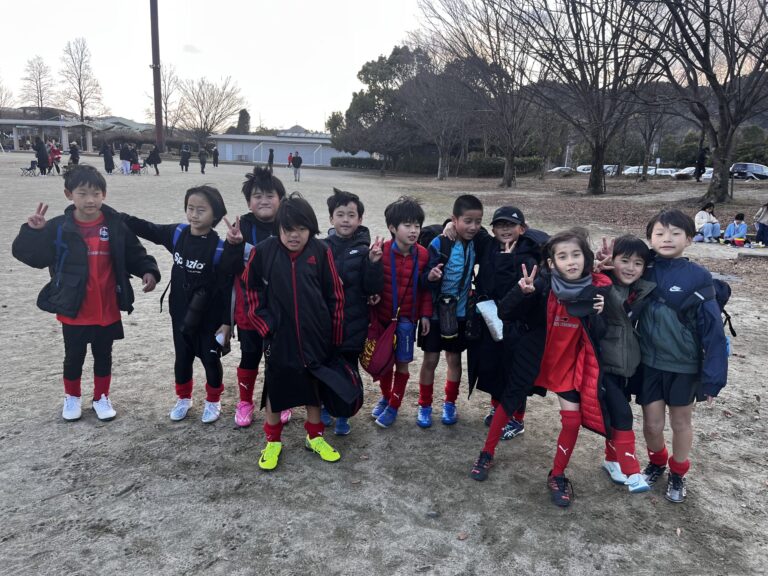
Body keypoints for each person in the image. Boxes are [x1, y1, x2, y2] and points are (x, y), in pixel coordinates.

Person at [11, 165, 160, 421]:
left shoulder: (115, 224)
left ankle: (101, 397)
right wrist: (32, 232)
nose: (90, 200)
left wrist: (149, 271)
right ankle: (72, 397)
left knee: (103, 355)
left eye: (96, 193)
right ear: (69, 194)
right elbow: (33, 257)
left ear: (104, 194)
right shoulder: (59, 227)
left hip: (107, 305)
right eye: (82, 193)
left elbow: (134, 253)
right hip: (74, 306)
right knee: (74, 356)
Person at [494, 228, 611, 507]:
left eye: (576, 255)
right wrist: (523, 293)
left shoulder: (596, 290)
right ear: (551, 262)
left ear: (586, 258)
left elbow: (601, 334)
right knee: (507, 403)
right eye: (563, 256)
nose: (571, 261)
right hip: (535, 360)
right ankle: (486, 452)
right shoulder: (542, 285)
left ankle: (557, 474)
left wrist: (599, 314)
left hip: (566, 367)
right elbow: (505, 312)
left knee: (572, 421)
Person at [241, 192, 345, 470]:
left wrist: (333, 334)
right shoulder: (263, 251)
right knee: (276, 389)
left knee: (313, 388)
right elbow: (250, 291)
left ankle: (315, 437)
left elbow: (335, 294)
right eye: (288, 229)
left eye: (301, 228)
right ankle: (273, 441)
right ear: (279, 228)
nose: (294, 235)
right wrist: (265, 325)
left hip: (315, 336)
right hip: (279, 337)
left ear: (311, 228)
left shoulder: (321, 251)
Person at [122, 186, 241, 424]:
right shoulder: (177, 234)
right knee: (182, 358)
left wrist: (227, 323)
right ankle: (183, 399)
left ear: (215, 215)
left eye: (201, 210)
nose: (194, 215)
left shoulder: (220, 248)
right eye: (190, 208)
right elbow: (147, 228)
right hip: (180, 312)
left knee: (210, 359)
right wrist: (112, 214)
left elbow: (228, 287)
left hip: (209, 318)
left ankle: (213, 400)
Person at [637, 209, 728, 503]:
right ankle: (656, 462)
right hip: (650, 363)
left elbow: (713, 331)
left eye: (675, 233)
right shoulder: (643, 268)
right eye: (659, 233)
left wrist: (713, 378)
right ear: (650, 239)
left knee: (680, 423)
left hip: (684, 367)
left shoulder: (698, 276)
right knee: (651, 424)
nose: (667, 238)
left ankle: (678, 472)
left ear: (689, 239)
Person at [466, 207, 548, 467]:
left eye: (511, 225)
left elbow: (514, 292)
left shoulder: (529, 255)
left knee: (513, 373)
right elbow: (466, 228)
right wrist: (447, 223)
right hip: (489, 318)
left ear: (522, 228)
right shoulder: (489, 246)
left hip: (517, 326)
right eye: (500, 224)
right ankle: (497, 407)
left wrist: (507, 261)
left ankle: (517, 419)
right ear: (492, 229)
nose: (505, 229)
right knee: (492, 368)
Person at [587, 235, 656, 492]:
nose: (630, 268)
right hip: (604, 365)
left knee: (617, 416)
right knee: (623, 415)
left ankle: (612, 460)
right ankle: (633, 473)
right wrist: (596, 268)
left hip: (629, 364)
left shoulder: (641, 289)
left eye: (638, 263)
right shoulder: (602, 284)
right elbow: (581, 283)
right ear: (612, 261)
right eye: (624, 261)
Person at [320, 188, 384, 435]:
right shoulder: (321, 247)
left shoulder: (365, 248)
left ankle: (344, 415)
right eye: (340, 214)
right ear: (331, 218)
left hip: (354, 324)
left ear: (360, 219)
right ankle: (325, 407)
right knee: (324, 369)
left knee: (348, 371)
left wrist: (374, 263)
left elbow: (372, 288)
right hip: (326, 324)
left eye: (351, 215)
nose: (345, 220)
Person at [415, 195, 483, 428]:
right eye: (467, 221)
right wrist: (431, 277)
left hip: (460, 313)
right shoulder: (439, 243)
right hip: (435, 314)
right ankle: (424, 405)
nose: (473, 227)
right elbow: (421, 279)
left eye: (478, 221)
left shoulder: (477, 241)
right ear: (455, 220)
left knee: (454, 359)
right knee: (430, 359)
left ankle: (450, 403)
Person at [230, 167, 288, 428]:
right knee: (250, 354)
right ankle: (245, 402)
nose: (264, 201)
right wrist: (233, 246)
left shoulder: (289, 223)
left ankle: (281, 398)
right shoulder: (241, 227)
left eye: (270, 195)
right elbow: (228, 269)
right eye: (257, 196)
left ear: (280, 199)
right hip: (249, 309)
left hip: (283, 307)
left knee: (280, 357)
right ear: (248, 202)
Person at [370, 197, 433, 428]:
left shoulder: (423, 254)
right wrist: (371, 263)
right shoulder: (381, 251)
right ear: (392, 228)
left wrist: (425, 315)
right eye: (407, 225)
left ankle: (394, 406)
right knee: (385, 363)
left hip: (407, 320)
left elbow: (425, 289)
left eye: (417, 225)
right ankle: (386, 397)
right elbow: (370, 284)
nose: (414, 230)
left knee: (402, 364)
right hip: (383, 319)